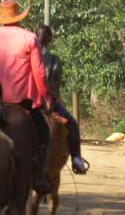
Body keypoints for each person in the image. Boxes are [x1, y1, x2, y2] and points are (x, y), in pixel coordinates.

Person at [0, 0, 54, 192]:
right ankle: (38, 175)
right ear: (18, 16)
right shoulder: (29, 38)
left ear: (2, 18)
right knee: (43, 132)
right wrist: (46, 97)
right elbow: (38, 72)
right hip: (22, 101)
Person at [36, 25, 90, 174]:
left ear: (35, 37)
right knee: (72, 124)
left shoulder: (28, 56)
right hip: (50, 103)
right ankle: (77, 159)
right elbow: (57, 84)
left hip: (30, 102)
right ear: (50, 40)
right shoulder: (54, 60)